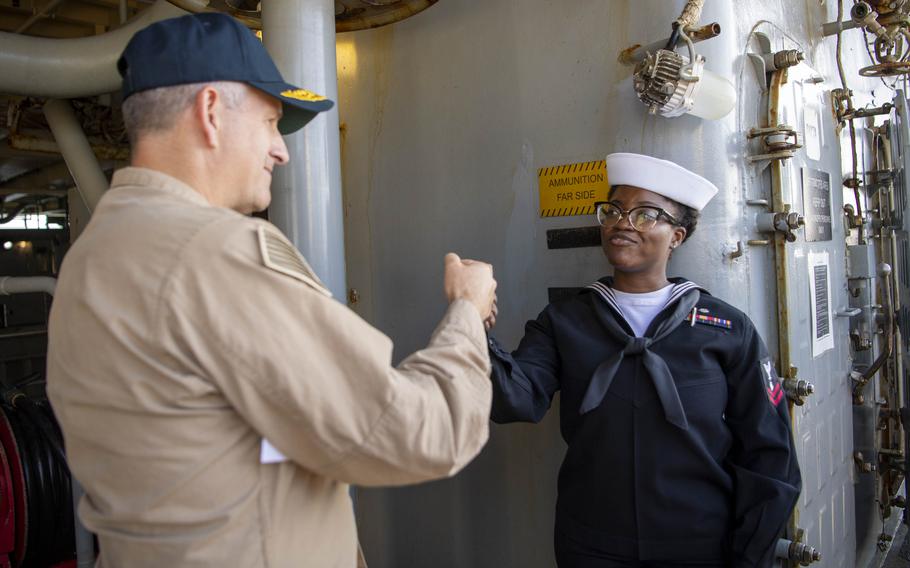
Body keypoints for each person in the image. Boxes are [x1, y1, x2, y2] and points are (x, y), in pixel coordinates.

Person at [46, 13, 497, 568]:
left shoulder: (92, 257)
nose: (280, 151)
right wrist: (467, 314)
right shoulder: (216, 255)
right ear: (211, 112)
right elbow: (414, 433)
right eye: (269, 122)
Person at [488, 152, 801, 568]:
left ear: (678, 236)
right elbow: (515, 400)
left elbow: (769, 455)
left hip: (699, 542)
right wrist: (470, 325)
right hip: (592, 545)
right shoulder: (565, 322)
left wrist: (749, 555)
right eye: (614, 211)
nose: (623, 223)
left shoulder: (726, 328)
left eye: (647, 214)